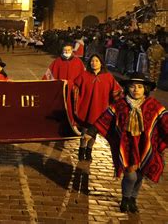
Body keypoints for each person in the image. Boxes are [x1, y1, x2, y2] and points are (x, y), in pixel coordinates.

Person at [84, 73, 167, 213]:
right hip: (127, 146)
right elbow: (105, 118)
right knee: (130, 175)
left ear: (145, 89)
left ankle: (133, 199)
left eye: (140, 87)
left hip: (145, 145)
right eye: (132, 87)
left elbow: (165, 121)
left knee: (140, 174)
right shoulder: (120, 105)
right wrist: (91, 131)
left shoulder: (153, 105)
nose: (136, 90)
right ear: (127, 88)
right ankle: (125, 198)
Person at [73, 53, 123, 161]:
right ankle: (81, 149)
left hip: (100, 109)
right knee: (84, 131)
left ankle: (89, 151)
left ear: (101, 63)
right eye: (92, 61)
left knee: (94, 131)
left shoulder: (108, 77)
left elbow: (116, 91)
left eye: (96, 61)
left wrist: (121, 100)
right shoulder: (84, 75)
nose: (94, 63)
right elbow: (75, 87)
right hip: (86, 108)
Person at [42, 43, 85, 124]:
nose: (67, 51)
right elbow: (49, 74)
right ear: (62, 50)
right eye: (65, 50)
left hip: (73, 90)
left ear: (72, 50)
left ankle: (73, 121)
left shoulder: (78, 62)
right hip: (60, 90)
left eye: (68, 50)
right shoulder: (57, 61)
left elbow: (84, 76)